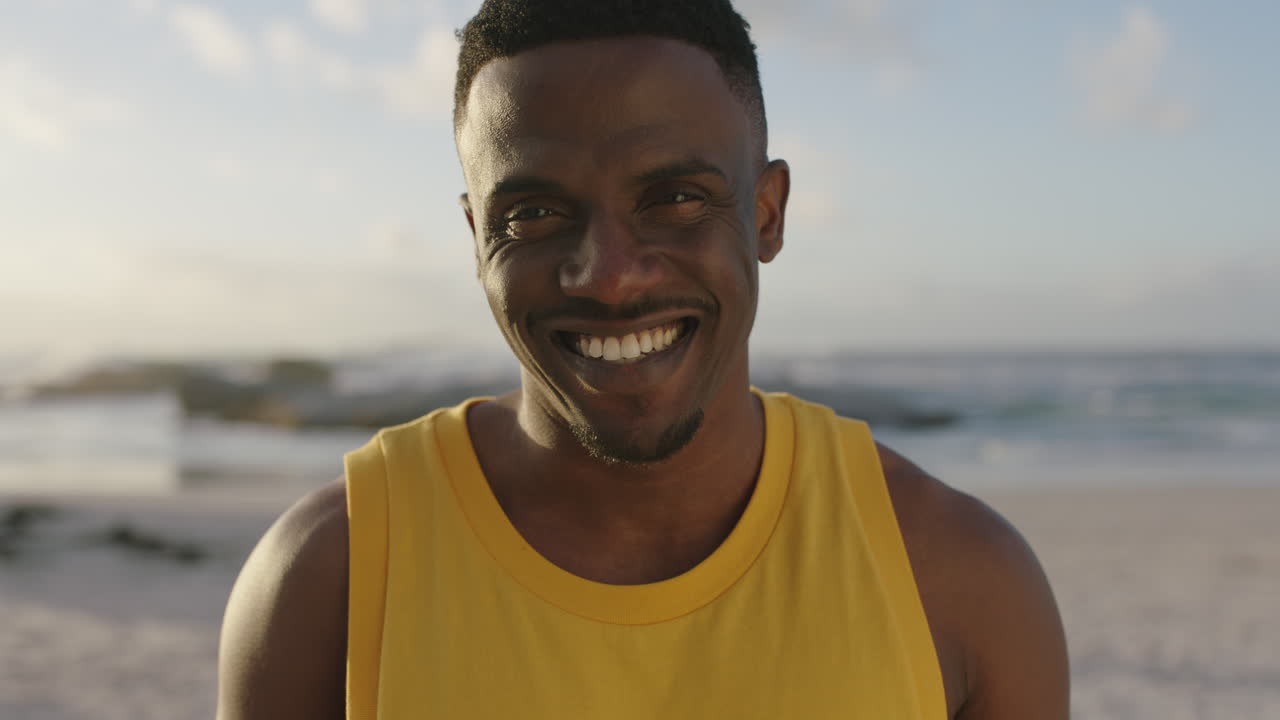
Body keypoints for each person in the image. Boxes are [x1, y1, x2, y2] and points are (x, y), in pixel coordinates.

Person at [216, 1, 1069, 717]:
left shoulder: (959, 580)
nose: (613, 278)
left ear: (767, 214)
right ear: (478, 241)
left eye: (674, 199)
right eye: (537, 214)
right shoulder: (328, 578)